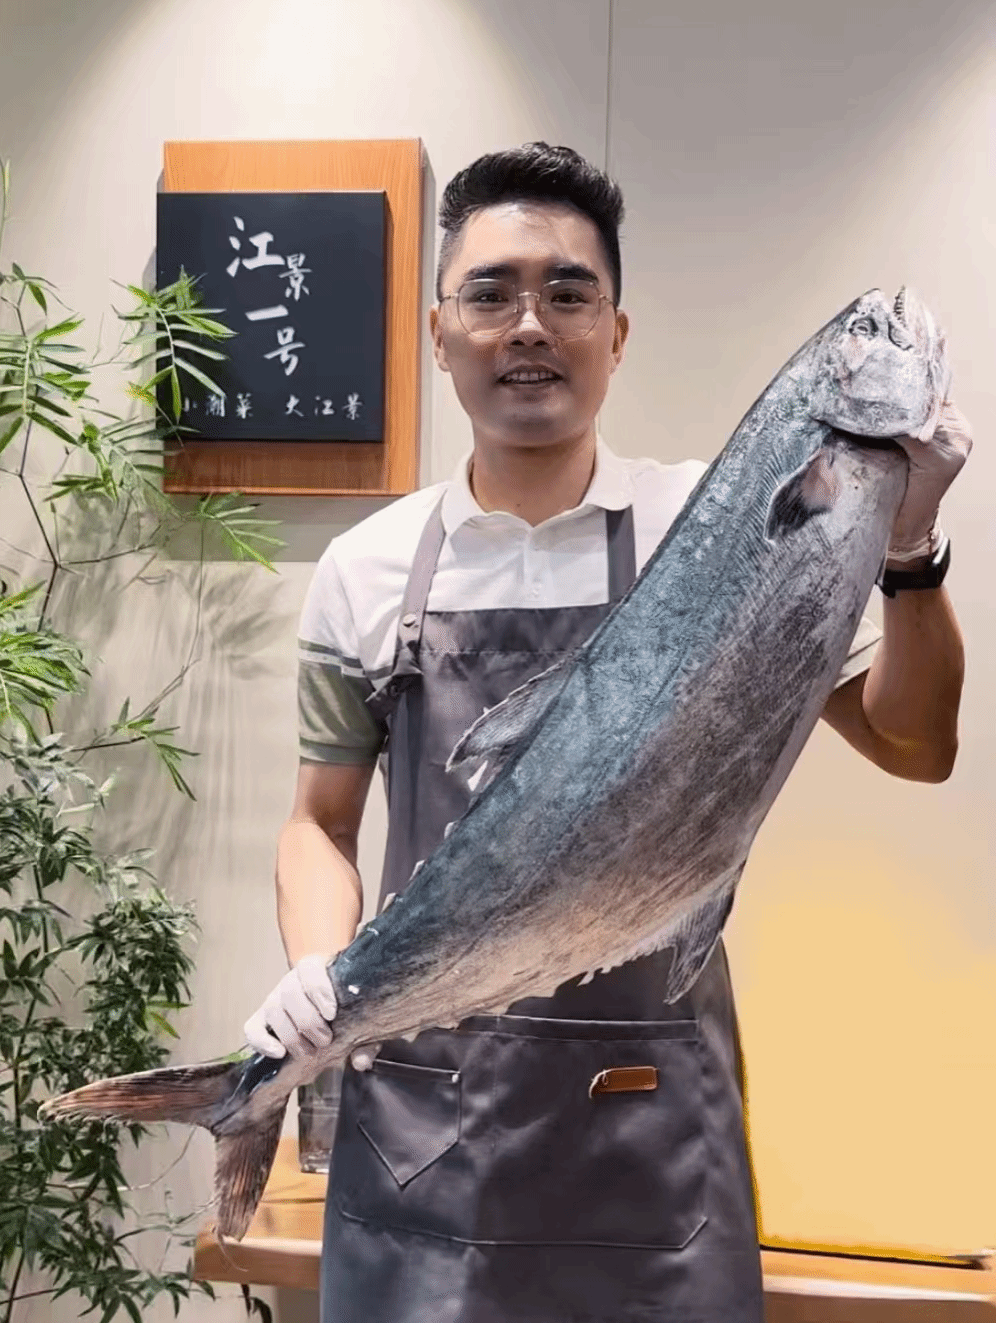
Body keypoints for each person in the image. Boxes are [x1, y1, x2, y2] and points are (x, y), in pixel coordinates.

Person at [244, 143, 970, 1323]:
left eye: (568, 293)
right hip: (426, 1132)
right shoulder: (363, 570)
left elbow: (911, 743)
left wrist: (907, 546)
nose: (529, 324)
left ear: (615, 333)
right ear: (440, 333)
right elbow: (317, 823)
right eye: (490, 294)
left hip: (652, 1142)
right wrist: (317, 972)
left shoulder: (716, 521)